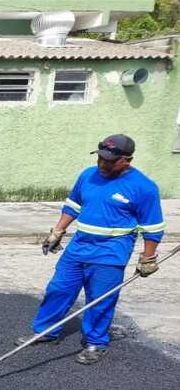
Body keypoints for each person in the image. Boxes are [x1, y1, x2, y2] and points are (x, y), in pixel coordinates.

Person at [19, 134, 164, 365]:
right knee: (58, 288)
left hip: (111, 252)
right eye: (100, 158)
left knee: (100, 299)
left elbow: (153, 227)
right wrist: (57, 232)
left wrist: (148, 257)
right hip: (79, 246)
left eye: (110, 160)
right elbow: (73, 205)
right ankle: (45, 332)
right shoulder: (88, 176)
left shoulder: (143, 188)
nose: (102, 164)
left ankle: (96, 341)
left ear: (127, 160)